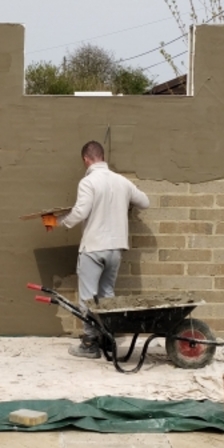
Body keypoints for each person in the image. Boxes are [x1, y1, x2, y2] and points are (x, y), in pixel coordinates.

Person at [48, 141, 150, 359]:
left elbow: (80, 212)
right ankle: (108, 339)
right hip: (116, 248)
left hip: (94, 248)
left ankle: (89, 343)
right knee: (107, 295)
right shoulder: (122, 182)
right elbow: (145, 202)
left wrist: (58, 222)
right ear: (102, 157)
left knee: (87, 297)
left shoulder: (88, 182)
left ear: (86, 159)